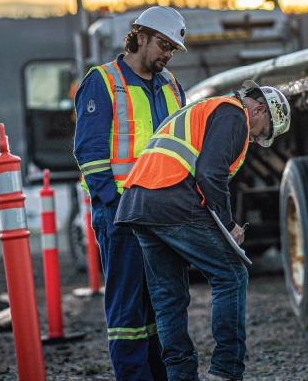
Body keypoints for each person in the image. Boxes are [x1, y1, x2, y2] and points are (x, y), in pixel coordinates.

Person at [115, 81, 291, 381]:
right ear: (259, 110)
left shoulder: (205, 109)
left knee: (168, 296)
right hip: (171, 200)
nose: (255, 139)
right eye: (263, 132)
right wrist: (228, 224)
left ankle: (181, 375)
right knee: (232, 275)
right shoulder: (234, 114)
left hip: (138, 205)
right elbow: (211, 172)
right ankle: (227, 370)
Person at [74, 6, 188, 381]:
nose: (166, 54)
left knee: (161, 309)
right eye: (162, 44)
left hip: (163, 215)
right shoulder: (102, 82)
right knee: (127, 315)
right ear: (138, 36)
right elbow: (89, 155)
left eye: (171, 48)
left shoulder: (171, 84)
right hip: (121, 216)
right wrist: (116, 204)